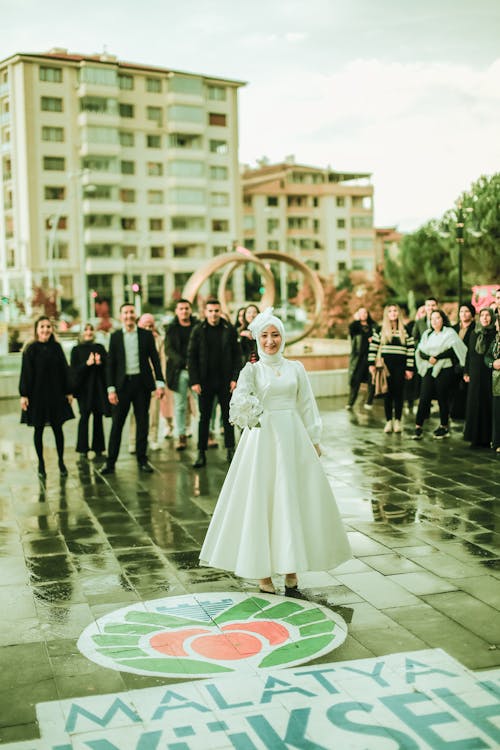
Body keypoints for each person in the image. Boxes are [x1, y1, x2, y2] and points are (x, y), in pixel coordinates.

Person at [199, 307, 352, 594]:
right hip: (262, 440)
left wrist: (314, 437)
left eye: (276, 335)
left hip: (293, 437)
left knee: (292, 501)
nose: (271, 341)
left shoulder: (296, 368)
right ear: (258, 338)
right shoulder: (252, 370)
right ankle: (263, 575)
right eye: (265, 336)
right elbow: (238, 402)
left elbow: (307, 403)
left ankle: (291, 567)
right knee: (265, 501)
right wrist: (249, 408)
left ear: (283, 337)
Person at [101, 303, 165, 474]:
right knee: (117, 425)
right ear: (121, 316)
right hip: (122, 386)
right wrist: (111, 389)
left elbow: (155, 359)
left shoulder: (145, 335)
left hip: (141, 384)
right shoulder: (115, 337)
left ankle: (142, 460)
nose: (128, 316)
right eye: (125, 313)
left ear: (135, 315)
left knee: (142, 423)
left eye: (131, 312)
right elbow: (110, 365)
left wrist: (160, 382)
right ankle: (110, 462)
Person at [187, 298, 242, 468]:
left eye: (216, 311)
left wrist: (235, 378)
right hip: (205, 382)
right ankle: (201, 452)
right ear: (205, 312)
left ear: (220, 311)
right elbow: (192, 357)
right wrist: (194, 381)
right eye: (210, 311)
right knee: (204, 418)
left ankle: (230, 449)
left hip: (226, 382)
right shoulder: (198, 330)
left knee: (228, 417)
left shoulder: (229, 329)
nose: (213, 314)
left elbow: (237, 356)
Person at [19, 316, 74, 478]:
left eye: (48, 327)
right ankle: (41, 465)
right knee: (38, 429)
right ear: (37, 329)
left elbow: (65, 370)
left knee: (58, 429)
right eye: (42, 327)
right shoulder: (30, 349)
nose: (45, 330)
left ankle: (61, 462)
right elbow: (26, 374)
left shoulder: (56, 348)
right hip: (37, 396)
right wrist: (24, 394)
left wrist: (69, 391)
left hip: (56, 394)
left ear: (52, 329)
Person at [413, 310, 467, 440]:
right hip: (429, 367)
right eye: (432, 319)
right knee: (424, 396)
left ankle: (444, 426)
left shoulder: (449, 333)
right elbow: (420, 351)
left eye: (437, 318)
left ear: (443, 319)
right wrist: (429, 357)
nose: (434, 321)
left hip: (444, 368)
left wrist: (437, 356)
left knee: (443, 397)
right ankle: (418, 426)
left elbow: (454, 350)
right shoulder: (427, 334)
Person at [128, 314, 171, 453]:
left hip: (153, 381)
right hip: (137, 381)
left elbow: (162, 361)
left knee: (154, 412)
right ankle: (133, 441)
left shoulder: (158, 340)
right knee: (136, 414)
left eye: (150, 326)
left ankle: (152, 438)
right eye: (144, 325)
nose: (147, 328)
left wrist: (161, 381)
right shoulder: (133, 338)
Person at [368, 304, 414, 433]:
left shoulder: (406, 330)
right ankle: (389, 421)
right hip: (385, 367)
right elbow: (373, 348)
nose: (393, 313)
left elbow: (410, 350)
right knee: (387, 394)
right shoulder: (380, 329)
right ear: (386, 314)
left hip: (401, 366)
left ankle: (398, 421)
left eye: (395, 311)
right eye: (390, 311)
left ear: (398, 313)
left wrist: (409, 368)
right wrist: (371, 364)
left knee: (399, 394)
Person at [70, 323, 109, 459]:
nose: (88, 332)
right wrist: (87, 364)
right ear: (81, 333)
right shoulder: (76, 350)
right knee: (84, 417)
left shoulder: (99, 348)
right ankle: (82, 448)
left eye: (91, 329)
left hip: (98, 388)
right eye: (85, 330)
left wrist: (100, 362)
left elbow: (108, 366)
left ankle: (99, 447)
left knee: (98, 417)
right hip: (84, 390)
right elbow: (73, 371)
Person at [165, 299, 197, 451]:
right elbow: (169, 349)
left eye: (186, 308)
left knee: (202, 404)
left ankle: (207, 433)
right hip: (179, 371)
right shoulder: (171, 328)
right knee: (180, 406)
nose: (184, 311)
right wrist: (183, 363)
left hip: (197, 372)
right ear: (176, 311)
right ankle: (181, 435)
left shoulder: (197, 326)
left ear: (190, 310)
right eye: (181, 308)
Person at [463, 307, 496, 448]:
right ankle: (474, 436)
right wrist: (466, 371)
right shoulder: (474, 333)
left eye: (488, 315)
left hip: (488, 373)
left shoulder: (495, 334)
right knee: (474, 403)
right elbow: (469, 354)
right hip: (475, 374)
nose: (485, 318)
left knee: (486, 403)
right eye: (482, 315)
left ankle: (487, 437)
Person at [346, 307, 377, 410]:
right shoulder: (355, 326)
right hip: (359, 358)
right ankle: (350, 402)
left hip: (372, 357)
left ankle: (369, 402)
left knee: (371, 380)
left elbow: (379, 337)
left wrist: (374, 339)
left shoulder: (373, 326)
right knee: (355, 381)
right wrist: (355, 319)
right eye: (361, 313)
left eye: (365, 312)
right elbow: (351, 332)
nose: (363, 314)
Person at [450, 303, 476, 420]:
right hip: (453, 364)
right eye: (461, 311)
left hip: (469, 365)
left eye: (467, 311)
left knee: (466, 391)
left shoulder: (475, 329)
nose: (463, 314)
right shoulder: (453, 329)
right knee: (454, 391)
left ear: (472, 314)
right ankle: (455, 414)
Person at [485, 314, 500, 453]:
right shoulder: (495, 339)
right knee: (497, 411)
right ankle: (497, 441)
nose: (495, 326)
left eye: (497, 323)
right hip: (497, 380)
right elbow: (487, 356)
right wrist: (492, 363)